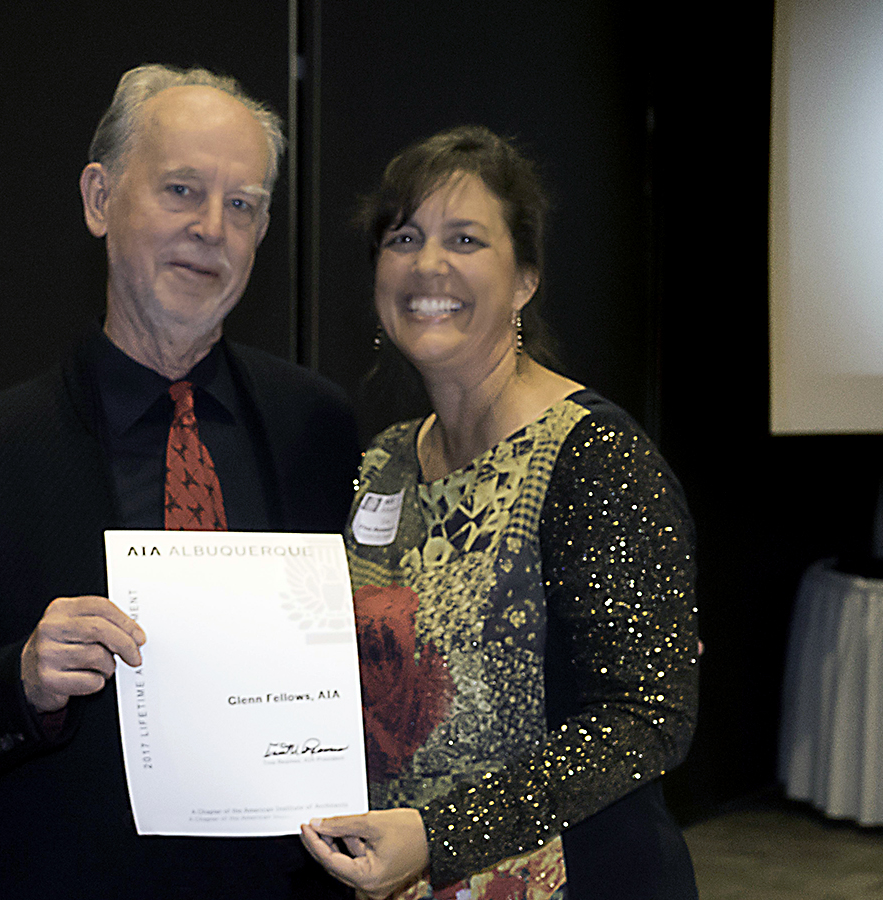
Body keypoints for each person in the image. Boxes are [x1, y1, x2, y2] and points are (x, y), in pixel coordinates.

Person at [0, 64, 359, 899]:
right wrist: (21, 680)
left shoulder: (317, 427)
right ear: (100, 200)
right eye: (180, 190)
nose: (211, 228)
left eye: (241, 204)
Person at [300, 126, 699, 899]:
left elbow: (647, 719)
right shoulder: (381, 461)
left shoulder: (596, 457)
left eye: (466, 239)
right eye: (404, 237)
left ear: (524, 279)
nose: (428, 264)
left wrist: (438, 836)